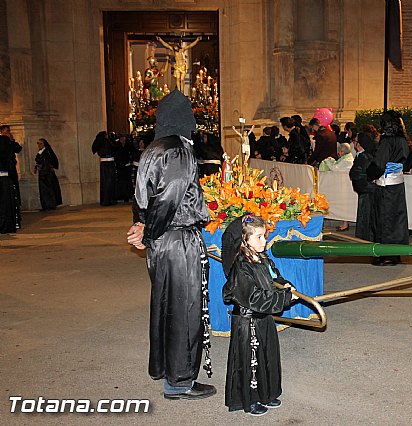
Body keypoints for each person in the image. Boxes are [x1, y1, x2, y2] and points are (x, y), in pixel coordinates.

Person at [126, 90, 216, 400]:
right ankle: (180, 381)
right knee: (185, 309)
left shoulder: (153, 148)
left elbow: (144, 195)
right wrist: (148, 231)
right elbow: (168, 197)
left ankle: (168, 372)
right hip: (177, 240)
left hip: (163, 241)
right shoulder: (178, 150)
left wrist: (141, 224)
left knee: (166, 306)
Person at [222, 215, 298, 416]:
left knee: (268, 357)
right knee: (251, 361)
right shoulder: (241, 266)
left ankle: (268, 393)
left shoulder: (264, 259)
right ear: (244, 241)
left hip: (264, 319)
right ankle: (251, 399)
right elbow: (254, 297)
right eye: (258, 237)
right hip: (249, 322)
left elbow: (275, 277)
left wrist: (285, 286)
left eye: (264, 236)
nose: (264, 241)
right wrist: (284, 298)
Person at [366, 110, 412, 265]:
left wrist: (368, 174)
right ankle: (395, 254)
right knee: (397, 218)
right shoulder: (403, 139)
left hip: (385, 186)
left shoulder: (387, 141)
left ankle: (383, 254)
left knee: (383, 219)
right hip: (398, 185)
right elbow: (409, 160)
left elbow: (379, 164)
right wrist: (399, 165)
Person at [349, 131, 377, 241]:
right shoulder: (364, 155)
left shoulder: (364, 157)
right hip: (366, 190)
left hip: (366, 191)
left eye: (355, 141)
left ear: (360, 144)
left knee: (366, 218)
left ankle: (365, 239)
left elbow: (359, 174)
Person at [0, 125, 22, 229]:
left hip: (10, 171)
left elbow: (18, 149)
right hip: (4, 172)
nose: (9, 132)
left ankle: (16, 214)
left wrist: (12, 140)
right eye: (7, 131)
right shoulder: (2, 141)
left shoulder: (9, 142)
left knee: (14, 192)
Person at [33, 138, 62, 211]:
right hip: (44, 173)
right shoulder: (42, 152)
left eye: (40, 143)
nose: (39, 145)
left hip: (46, 175)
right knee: (44, 191)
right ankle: (46, 206)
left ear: (44, 144)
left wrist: (39, 168)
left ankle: (50, 205)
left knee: (47, 190)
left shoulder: (46, 152)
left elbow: (45, 163)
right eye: (38, 143)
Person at [91, 131, 117, 206]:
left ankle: (105, 200)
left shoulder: (98, 143)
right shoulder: (107, 142)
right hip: (109, 163)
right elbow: (114, 148)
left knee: (105, 182)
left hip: (104, 164)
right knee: (110, 182)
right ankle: (110, 199)